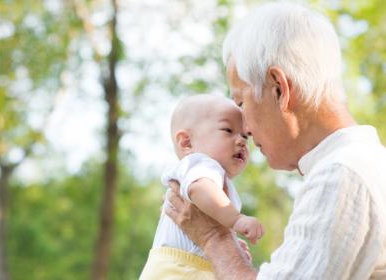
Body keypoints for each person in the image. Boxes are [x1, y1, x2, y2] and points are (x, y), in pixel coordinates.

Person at [165, 2, 386, 280]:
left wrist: (213, 238)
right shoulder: (363, 163)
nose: (243, 128)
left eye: (241, 102)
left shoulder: (341, 174)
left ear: (279, 88)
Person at [140, 94, 264, 279]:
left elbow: (199, 228)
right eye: (228, 130)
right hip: (180, 269)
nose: (241, 141)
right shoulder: (201, 164)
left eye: (245, 135)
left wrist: (232, 243)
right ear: (186, 142)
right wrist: (237, 220)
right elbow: (200, 189)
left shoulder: (216, 177)